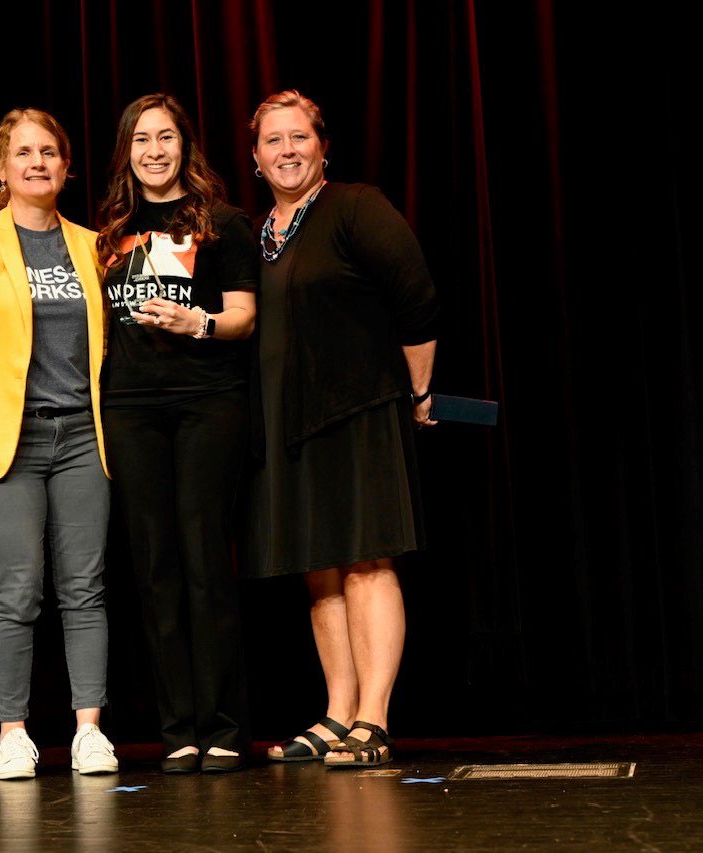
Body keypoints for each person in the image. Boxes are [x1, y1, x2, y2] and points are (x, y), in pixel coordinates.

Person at [246, 90, 438, 768]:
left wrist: (416, 394)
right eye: (274, 140)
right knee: (319, 572)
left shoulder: (355, 206)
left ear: (323, 147)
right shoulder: (259, 233)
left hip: (358, 411)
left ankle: (374, 718)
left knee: (365, 561)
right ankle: (337, 712)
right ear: (256, 157)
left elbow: (416, 298)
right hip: (291, 425)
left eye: (300, 137)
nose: (288, 150)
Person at [0, 108, 117, 781]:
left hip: (81, 439)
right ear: (1, 168)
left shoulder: (94, 246)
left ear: (66, 167)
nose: (38, 163)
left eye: (50, 152)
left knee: (84, 588)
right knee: (18, 588)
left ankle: (89, 729)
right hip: (7, 439)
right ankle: (13, 732)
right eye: (25, 152)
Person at [96, 94, 258, 773]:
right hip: (131, 409)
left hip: (206, 403)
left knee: (202, 559)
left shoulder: (223, 224)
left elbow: (246, 315)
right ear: (127, 152)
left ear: (185, 146)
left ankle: (223, 725)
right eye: (141, 140)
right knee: (155, 566)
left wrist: (198, 324)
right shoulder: (106, 232)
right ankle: (178, 729)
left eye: (165, 138)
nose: (154, 150)